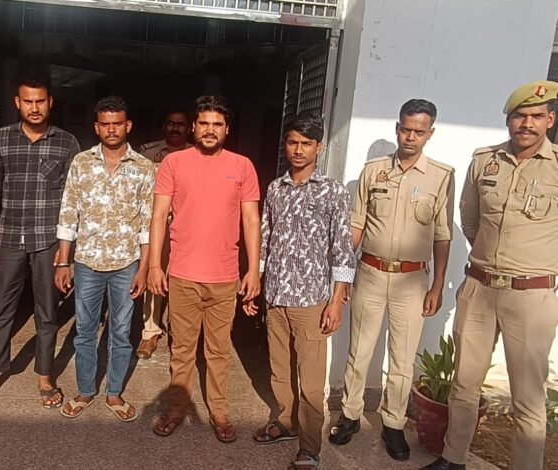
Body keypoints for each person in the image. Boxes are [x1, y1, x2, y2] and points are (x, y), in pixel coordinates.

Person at [423, 81, 558, 470]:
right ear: (509, 120)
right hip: (479, 287)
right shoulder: (485, 161)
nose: (526, 123)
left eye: (536, 116)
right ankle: (453, 458)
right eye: (519, 116)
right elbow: (469, 218)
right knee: (464, 383)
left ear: (550, 120)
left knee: (527, 398)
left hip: (530, 296)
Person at [330, 99, 454, 461]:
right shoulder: (374, 171)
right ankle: (350, 415)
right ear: (397, 128)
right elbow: (357, 223)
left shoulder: (441, 176)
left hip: (412, 281)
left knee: (402, 359)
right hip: (370, 273)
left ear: (430, 133)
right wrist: (343, 276)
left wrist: (437, 286)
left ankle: (393, 423)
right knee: (359, 351)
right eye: (405, 129)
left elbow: (442, 235)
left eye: (419, 131)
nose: (410, 137)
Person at [148, 95, 261, 443]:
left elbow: (251, 221)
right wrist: (154, 265)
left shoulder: (242, 166)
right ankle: (177, 408)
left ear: (227, 129)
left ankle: (219, 412)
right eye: (204, 124)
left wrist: (253, 270)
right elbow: (158, 216)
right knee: (181, 349)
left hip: (225, 277)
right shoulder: (173, 163)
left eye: (217, 125)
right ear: (194, 127)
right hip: (182, 274)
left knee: (218, 351)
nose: (210, 130)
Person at [0, 69, 80, 408]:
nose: (34, 108)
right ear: (17, 102)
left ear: (50, 103)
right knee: (1, 309)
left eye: (40, 101)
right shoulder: (1, 139)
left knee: (47, 312)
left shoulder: (66, 143)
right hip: (8, 237)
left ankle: (45, 375)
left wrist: (67, 253)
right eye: (28, 101)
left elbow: (73, 201)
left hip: (48, 239)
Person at [254, 113, 355, 469]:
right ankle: (285, 422)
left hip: (312, 301)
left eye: (306, 144)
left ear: (319, 147)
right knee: (280, 369)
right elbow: (265, 238)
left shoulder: (333, 191)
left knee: (311, 382)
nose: (298, 150)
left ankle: (310, 447)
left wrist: (337, 301)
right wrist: (256, 282)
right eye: (293, 142)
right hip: (276, 295)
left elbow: (343, 248)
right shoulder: (275, 189)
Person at [55, 96, 154, 421]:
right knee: (84, 330)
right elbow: (69, 212)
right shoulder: (82, 162)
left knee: (121, 332)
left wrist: (144, 268)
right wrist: (63, 261)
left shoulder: (143, 167)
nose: (112, 129)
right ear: (97, 127)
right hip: (86, 262)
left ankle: (114, 393)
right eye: (105, 124)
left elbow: (147, 223)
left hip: (126, 263)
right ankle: (85, 390)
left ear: (128, 125)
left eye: (118, 123)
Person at [135, 109, 191, 359]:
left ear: (189, 128)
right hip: (156, 223)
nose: (175, 128)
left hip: (187, 225)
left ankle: (178, 331)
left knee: (183, 280)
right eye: (170, 123)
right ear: (164, 125)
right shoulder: (147, 153)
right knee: (153, 273)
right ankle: (150, 332)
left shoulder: (196, 155)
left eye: (180, 124)